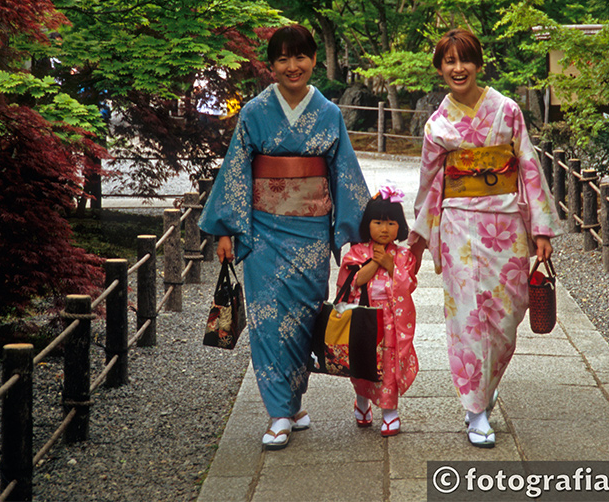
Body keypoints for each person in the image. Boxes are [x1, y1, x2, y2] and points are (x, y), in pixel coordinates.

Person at [199, 24, 370, 451]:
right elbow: (236, 172)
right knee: (267, 321)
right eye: (282, 59)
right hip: (262, 231)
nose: (292, 66)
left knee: (304, 318)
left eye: (300, 57)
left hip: (311, 232)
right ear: (271, 65)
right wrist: (225, 229)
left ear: (314, 60)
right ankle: (278, 412)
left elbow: (343, 173)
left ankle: (293, 404)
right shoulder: (255, 112)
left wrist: (355, 231)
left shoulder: (329, 113)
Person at [408, 28, 560, 448]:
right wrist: (421, 234)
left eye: (465, 60)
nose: (458, 69)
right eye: (449, 62)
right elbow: (429, 183)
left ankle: (486, 383)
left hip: (505, 222)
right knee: (467, 316)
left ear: (478, 63)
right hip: (459, 224)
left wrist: (541, 229)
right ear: (440, 68)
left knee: (507, 313)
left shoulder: (506, 110)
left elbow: (528, 166)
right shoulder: (438, 123)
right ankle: (475, 410)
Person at [336, 187, 418, 437]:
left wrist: (391, 265)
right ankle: (362, 402)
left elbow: (408, 284)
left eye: (391, 223)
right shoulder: (357, 253)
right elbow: (352, 282)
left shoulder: (404, 256)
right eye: (378, 222)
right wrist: (375, 262)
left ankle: (390, 412)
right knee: (364, 364)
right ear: (367, 224)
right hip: (364, 319)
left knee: (390, 365)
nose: (384, 228)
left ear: (400, 226)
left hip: (391, 321)